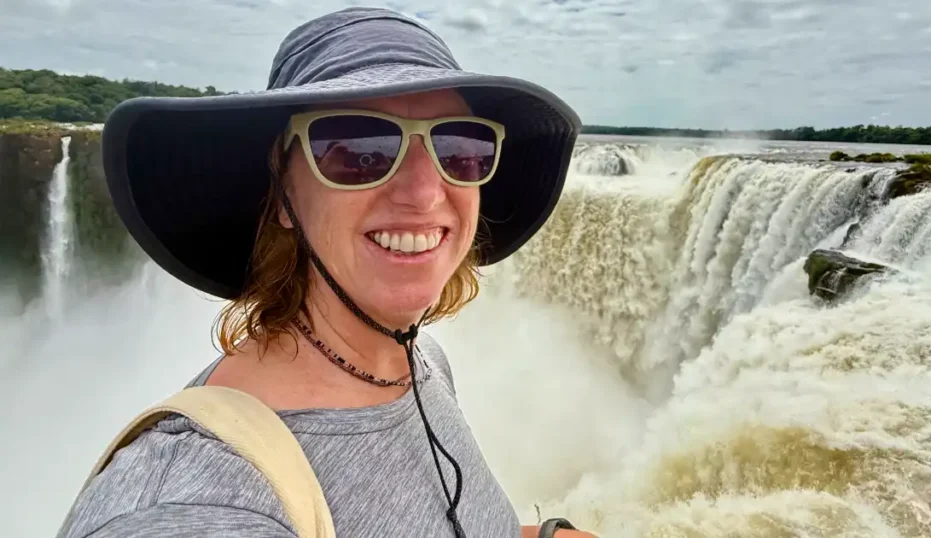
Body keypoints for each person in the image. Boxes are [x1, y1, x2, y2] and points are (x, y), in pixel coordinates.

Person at [55, 7, 596, 538]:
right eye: (361, 149)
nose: (426, 192)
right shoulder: (190, 498)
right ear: (284, 195)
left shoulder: (423, 362)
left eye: (459, 148)